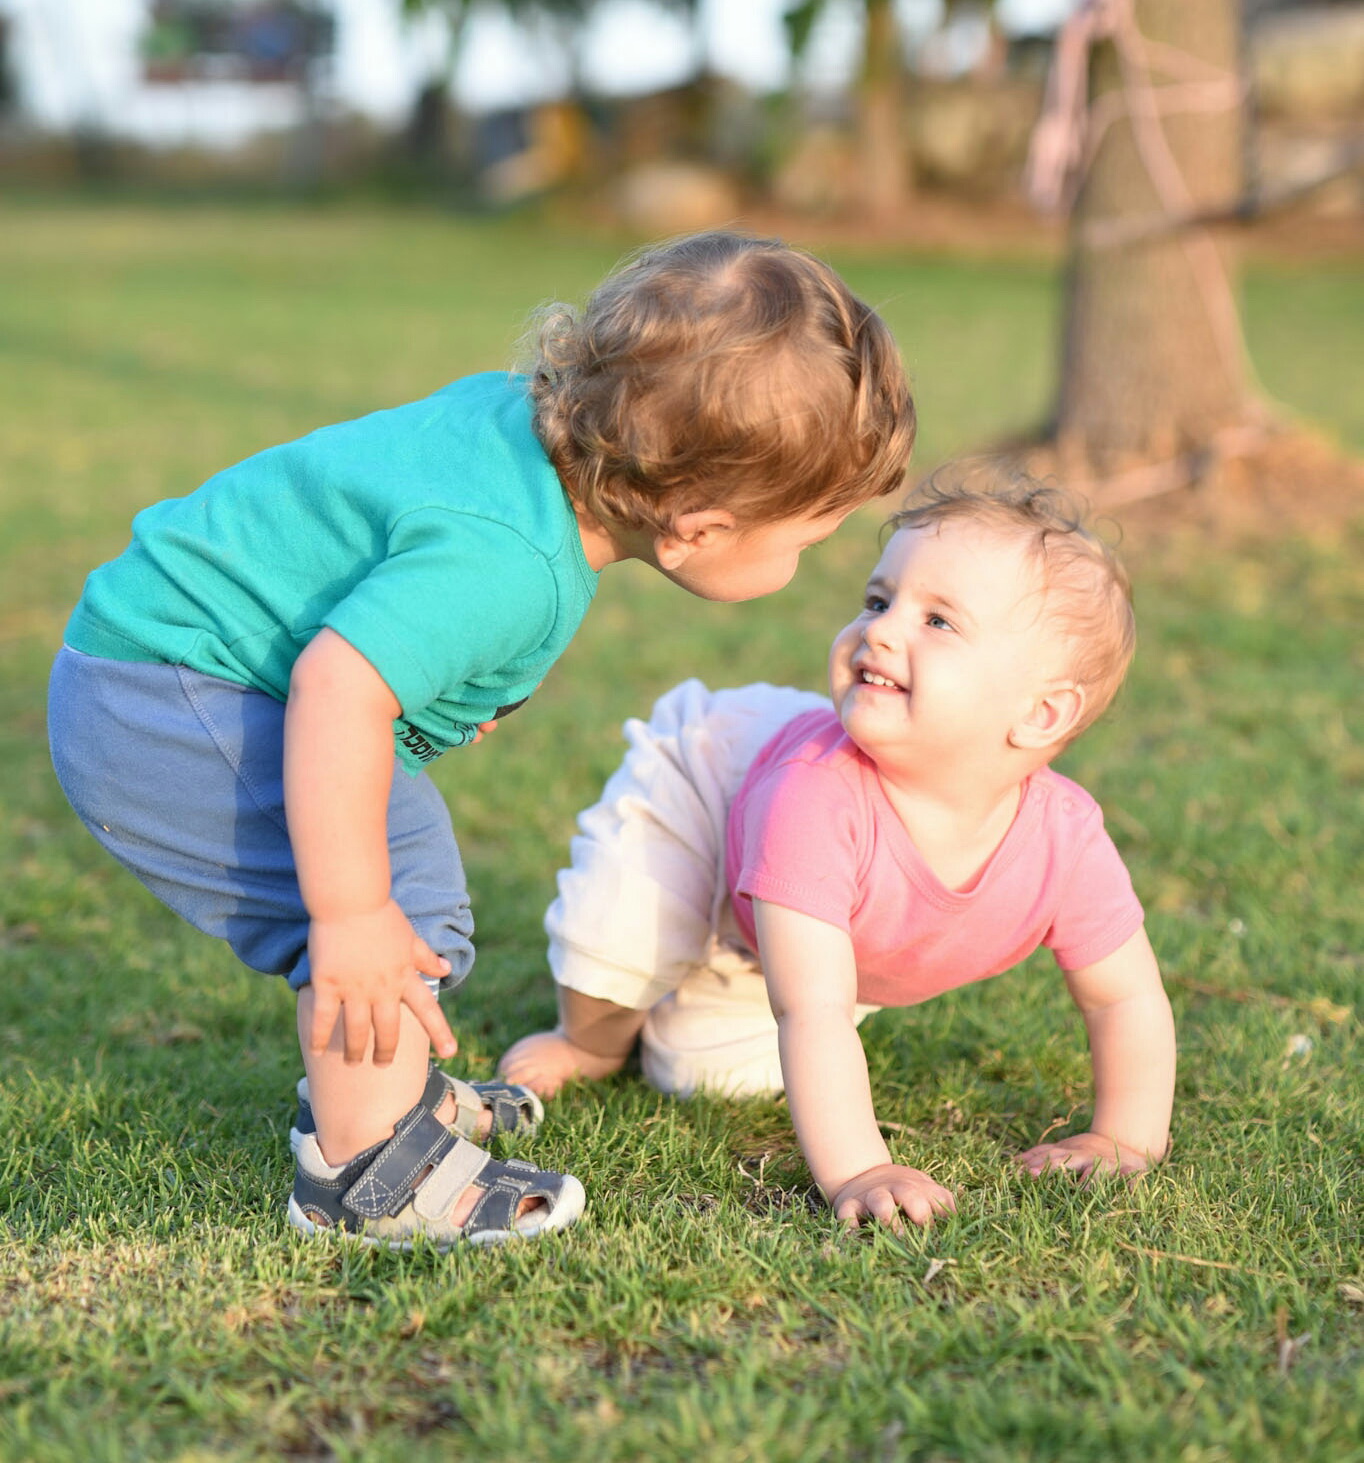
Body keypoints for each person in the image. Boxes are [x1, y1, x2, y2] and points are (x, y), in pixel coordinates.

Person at [46, 230, 917, 1248]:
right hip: (171, 696)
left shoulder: (520, 430)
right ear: (694, 524)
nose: (808, 559)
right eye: (804, 537)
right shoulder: (511, 563)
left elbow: (379, 566)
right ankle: (367, 1172)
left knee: (405, 890)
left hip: (165, 659)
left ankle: (388, 1093)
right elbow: (338, 682)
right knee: (392, 915)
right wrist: (350, 910)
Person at [499, 473, 1177, 1231]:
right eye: (880, 600)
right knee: (617, 942)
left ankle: (709, 959)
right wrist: (861, 1167)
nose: (880, 631)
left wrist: (1125, 1136)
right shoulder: (816, 795)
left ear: (1041, 711)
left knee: (702, 1075)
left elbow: (1124, 997)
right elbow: (813, 1006)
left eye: (940, 621)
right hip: (707, 782)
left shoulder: (1066, 839)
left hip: (792, 903)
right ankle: (587, 1040)